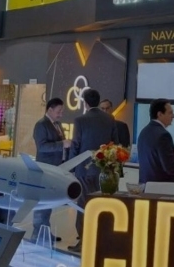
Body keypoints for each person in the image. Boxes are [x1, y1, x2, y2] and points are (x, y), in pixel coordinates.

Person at [69, 89, 118, 252]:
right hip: (104, 170)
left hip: (84, 170)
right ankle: (101, 240)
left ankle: (84, 241)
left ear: (85, 103)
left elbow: (75, 145)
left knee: (84, 204)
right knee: (102, 204)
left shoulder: (80, 120)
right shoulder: (110, 119)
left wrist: (71, 168)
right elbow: (115, 144)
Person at [32, 98, 66, 241]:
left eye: (62, 111)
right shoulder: (41, 125)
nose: (61, 114)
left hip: (55, 169)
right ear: (50, 110)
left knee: (48, 203)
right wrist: (62, 144)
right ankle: (38, 234)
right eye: (59, 111)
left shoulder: (57, 124)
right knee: (42, 203)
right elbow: (42, 147)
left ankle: (45, 232)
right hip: (45, 168)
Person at [137, 98, 174, 184]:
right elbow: (171, 168)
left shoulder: (144, 132)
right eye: (170, 113)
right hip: (162, 188)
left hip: (146, 185)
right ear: (160, 114)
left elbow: (154, 156)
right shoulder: (163, 135)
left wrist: (172, 151)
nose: (173, 116)